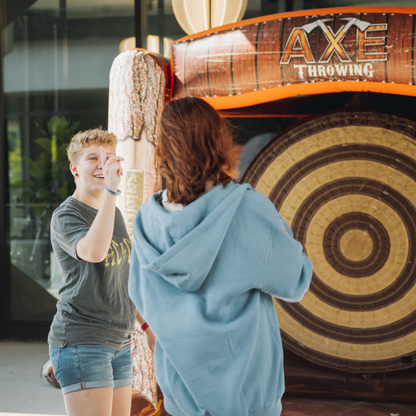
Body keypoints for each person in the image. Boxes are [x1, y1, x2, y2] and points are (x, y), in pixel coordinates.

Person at [128, 97, 313, 416]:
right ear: (220, 141)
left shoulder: (147, 220)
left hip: (180, 390)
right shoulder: (248, 210)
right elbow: (296, 281)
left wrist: (149, 333)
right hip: (248, 393)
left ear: (165, 149)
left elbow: (137, 295)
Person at [48, 129, 154, 416]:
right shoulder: (66, 215)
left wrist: (146, 327)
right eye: (92, 158)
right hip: (83, 340)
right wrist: (111, 191)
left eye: (108, 158)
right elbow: (93, 252)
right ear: (75, 168)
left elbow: (123, 278)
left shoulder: (113, 214)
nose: (102, 165)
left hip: (120, 341)